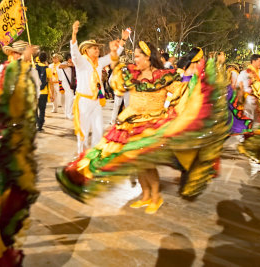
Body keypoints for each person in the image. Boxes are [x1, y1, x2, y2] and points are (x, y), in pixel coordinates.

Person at [56, 45, 230, 214]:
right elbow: (115, 85)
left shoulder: (164, 76)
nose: (135, 59)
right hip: (130, 124)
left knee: (146, 163)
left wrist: (194, 88)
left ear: (148, 57)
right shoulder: (131, 73)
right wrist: (115, 60)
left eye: (138, 56)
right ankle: (145, 194)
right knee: (136, 163)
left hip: (151, 125)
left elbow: (181, 92)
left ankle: (155, 197)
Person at [0, 44, 40, 266]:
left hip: (17, 139)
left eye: (23, 52)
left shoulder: (27, 73)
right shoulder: (6, 72)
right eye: (17, 52)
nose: (20, 56)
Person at [70, 20, 127, 153]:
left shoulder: (99, 63)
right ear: (86, 50)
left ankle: (94, 156)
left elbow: (113, 55)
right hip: (83, 101)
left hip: (96, 101)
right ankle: (81, 156)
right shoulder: (81, 62)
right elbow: (74, 54)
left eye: (97, 48)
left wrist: (123, 40)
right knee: (83, 131)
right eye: (94, 48)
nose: (97, 50)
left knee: (98, 129)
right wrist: (74, 34)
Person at [237, 54, 260, 121]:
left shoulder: (259, 72)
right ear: (253, 61)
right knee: (249, 119)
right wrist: (240, 98)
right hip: (248, 99)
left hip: (258, 99)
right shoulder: (244, 73)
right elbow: (239, 85)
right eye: (259, 61)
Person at [36, 52, 55, 132]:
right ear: (45, 59)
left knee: (34, 109)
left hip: (35, 92)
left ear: (39, 59)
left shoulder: (34, 67)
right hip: (44, 92)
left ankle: (37, 122)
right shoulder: (48, 69)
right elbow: (51, 83)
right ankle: (40, 125)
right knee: (42, 110)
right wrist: (52, 94)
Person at [58, 53, 76, 119]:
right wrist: (69, 64)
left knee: (68, 98)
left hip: (71, 84)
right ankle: (69, 113)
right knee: (71, 97)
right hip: (66, 83)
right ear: (68, 58)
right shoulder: (64, 63)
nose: (72, 59)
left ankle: (67, 113)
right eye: (70, 58)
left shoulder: (73, 64)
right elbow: (60, 66)